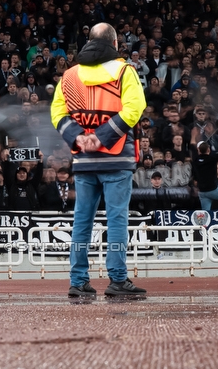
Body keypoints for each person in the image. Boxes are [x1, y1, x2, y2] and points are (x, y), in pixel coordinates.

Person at [50, 22, 147, 298]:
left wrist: (79, 137)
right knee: (117, 219)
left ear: (89, 41)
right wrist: (102, 137)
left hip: (84, 161)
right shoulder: (124, 71)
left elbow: (57, 112)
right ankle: (117, 280)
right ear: (115, 44)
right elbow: (135, 108)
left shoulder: (70, 76)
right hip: (116, 158)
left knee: (82, 220)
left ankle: (78, 281)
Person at [192, 140, 218, 211]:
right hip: (213, 190)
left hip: (202, 192)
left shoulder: (195, 160)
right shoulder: (212, 159)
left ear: (198, 150)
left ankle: (206, 221)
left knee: (206, 213)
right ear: (208, 150)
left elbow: (192, 148)